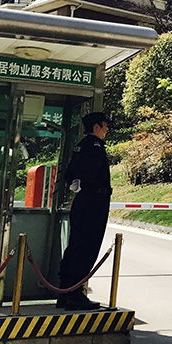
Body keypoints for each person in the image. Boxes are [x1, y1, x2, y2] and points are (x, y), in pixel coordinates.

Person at [57, 111, 112, 311]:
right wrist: (87, 187)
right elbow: (91, 175)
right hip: (93, 203)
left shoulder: (81, 146)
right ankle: (74, 294)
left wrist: (76, 185)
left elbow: (70, 174)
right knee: (86, 247)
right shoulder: (94, 148)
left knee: (76, 245)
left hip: (83, 202)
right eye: (105, 125)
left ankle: (65, 291)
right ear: (96, 127)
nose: (107, 129)